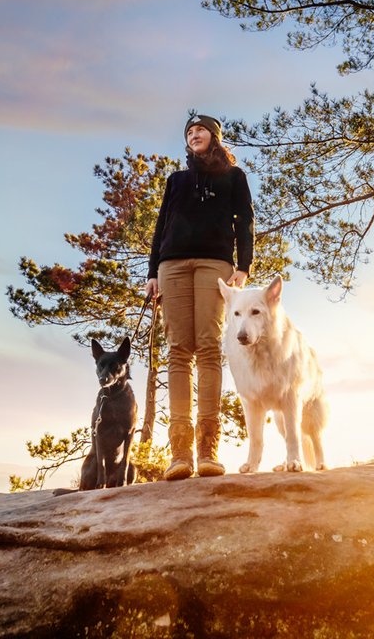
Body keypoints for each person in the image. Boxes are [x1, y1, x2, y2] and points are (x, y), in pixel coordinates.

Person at [146, 113, 254, 480]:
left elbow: (246, 221)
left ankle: (208, 450)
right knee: (178, 349)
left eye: (201, 130)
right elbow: (161, 226)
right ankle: (180, 455)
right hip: (171, 266)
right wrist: (151, 273)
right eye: (189, 132)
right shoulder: (176, 180)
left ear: (214, 136)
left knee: (208, 347)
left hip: (215, 264)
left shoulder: (233, 177)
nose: (194, 135)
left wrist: (244, 265)